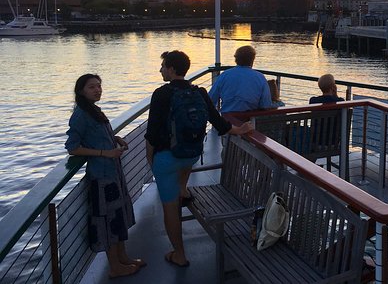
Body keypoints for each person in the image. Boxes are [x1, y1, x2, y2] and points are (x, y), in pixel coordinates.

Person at [145, 50, 253, 268]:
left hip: (167, 158)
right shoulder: (200, 92)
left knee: (170, 207)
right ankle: (183, 188)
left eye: (163, 66)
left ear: (172, 69)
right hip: (192, 155)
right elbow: (219, 123)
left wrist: (151, 162)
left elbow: (152, 134)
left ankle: (179, 254)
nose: (161, 70)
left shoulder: (161, 94)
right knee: (183, 166)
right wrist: (240, 130)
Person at [65, 74, 144, 278]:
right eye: (92, 87)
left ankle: (123, 257)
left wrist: (114, 138)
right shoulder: (81, 115)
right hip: (101, 177)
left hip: (113, 173)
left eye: (99, 86)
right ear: (81, 90)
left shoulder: (93, 110)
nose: (97, 90)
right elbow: (72, 147)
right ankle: (115, 267)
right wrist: (105, 153)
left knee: (118, 216)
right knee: (109, 220)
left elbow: (96, 135)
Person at [208, 45, 273, 112]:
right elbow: (266, 105)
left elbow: (211, 99)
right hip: (250, 119)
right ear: (252, 60)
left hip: (227, 118)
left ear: (236, 60)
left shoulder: (224, 75)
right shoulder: (260, 77)